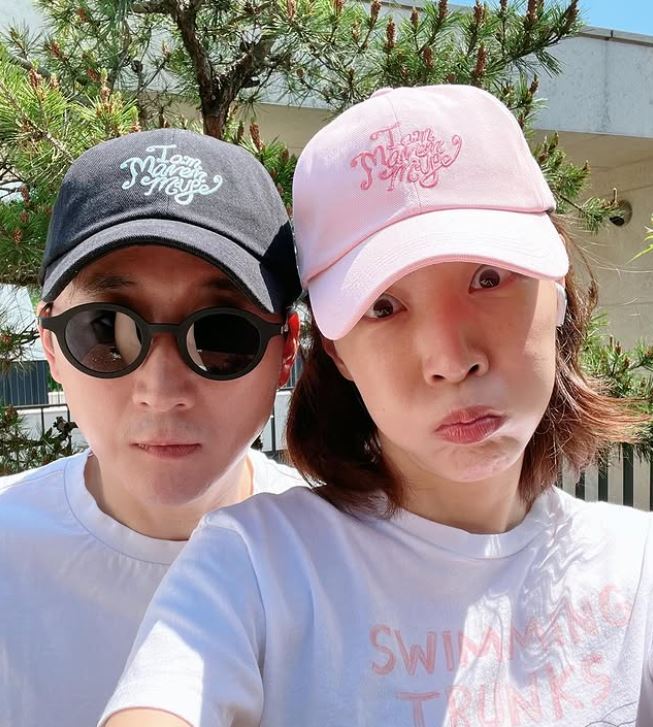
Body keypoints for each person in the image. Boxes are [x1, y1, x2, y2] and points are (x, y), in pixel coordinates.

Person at [101, 86, 653, 727]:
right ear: (337, 351)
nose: (450, 358)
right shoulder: (257, 566)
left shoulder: (636, 565)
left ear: (556, 292)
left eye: (489, 277)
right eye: (383, 307)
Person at [0, 128, 304, 727]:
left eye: (221, 334)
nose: (161, 393)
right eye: (105, 329)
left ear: (286, 351)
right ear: (51, 346)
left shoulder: (350, 566)